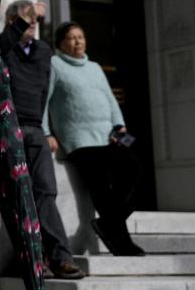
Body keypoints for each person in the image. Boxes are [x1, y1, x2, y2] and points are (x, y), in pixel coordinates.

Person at [0, 0, 85, 279]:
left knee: (46, 193)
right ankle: (32, 260)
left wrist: (49, 130)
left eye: (34, 19)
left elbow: (48, 93)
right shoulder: (3, 45)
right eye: (26, 18)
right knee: (18, 196)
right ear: (12, 20)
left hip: (36, 131)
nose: (32, 22)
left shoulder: (45, 51)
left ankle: (61, 258)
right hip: (9, 128)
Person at [41, 22, 144, 256]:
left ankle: (109, 223)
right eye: (71, 38)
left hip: (107, 135)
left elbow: (109, 98)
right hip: (79, 139)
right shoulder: (54, 64)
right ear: (60, 43)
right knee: (101, 191)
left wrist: (119, 124)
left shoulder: (95, 67)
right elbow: (43, 100)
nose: (78, 41)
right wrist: (46, 132)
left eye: (81, 37)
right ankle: (122, 244)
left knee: (134, 170)